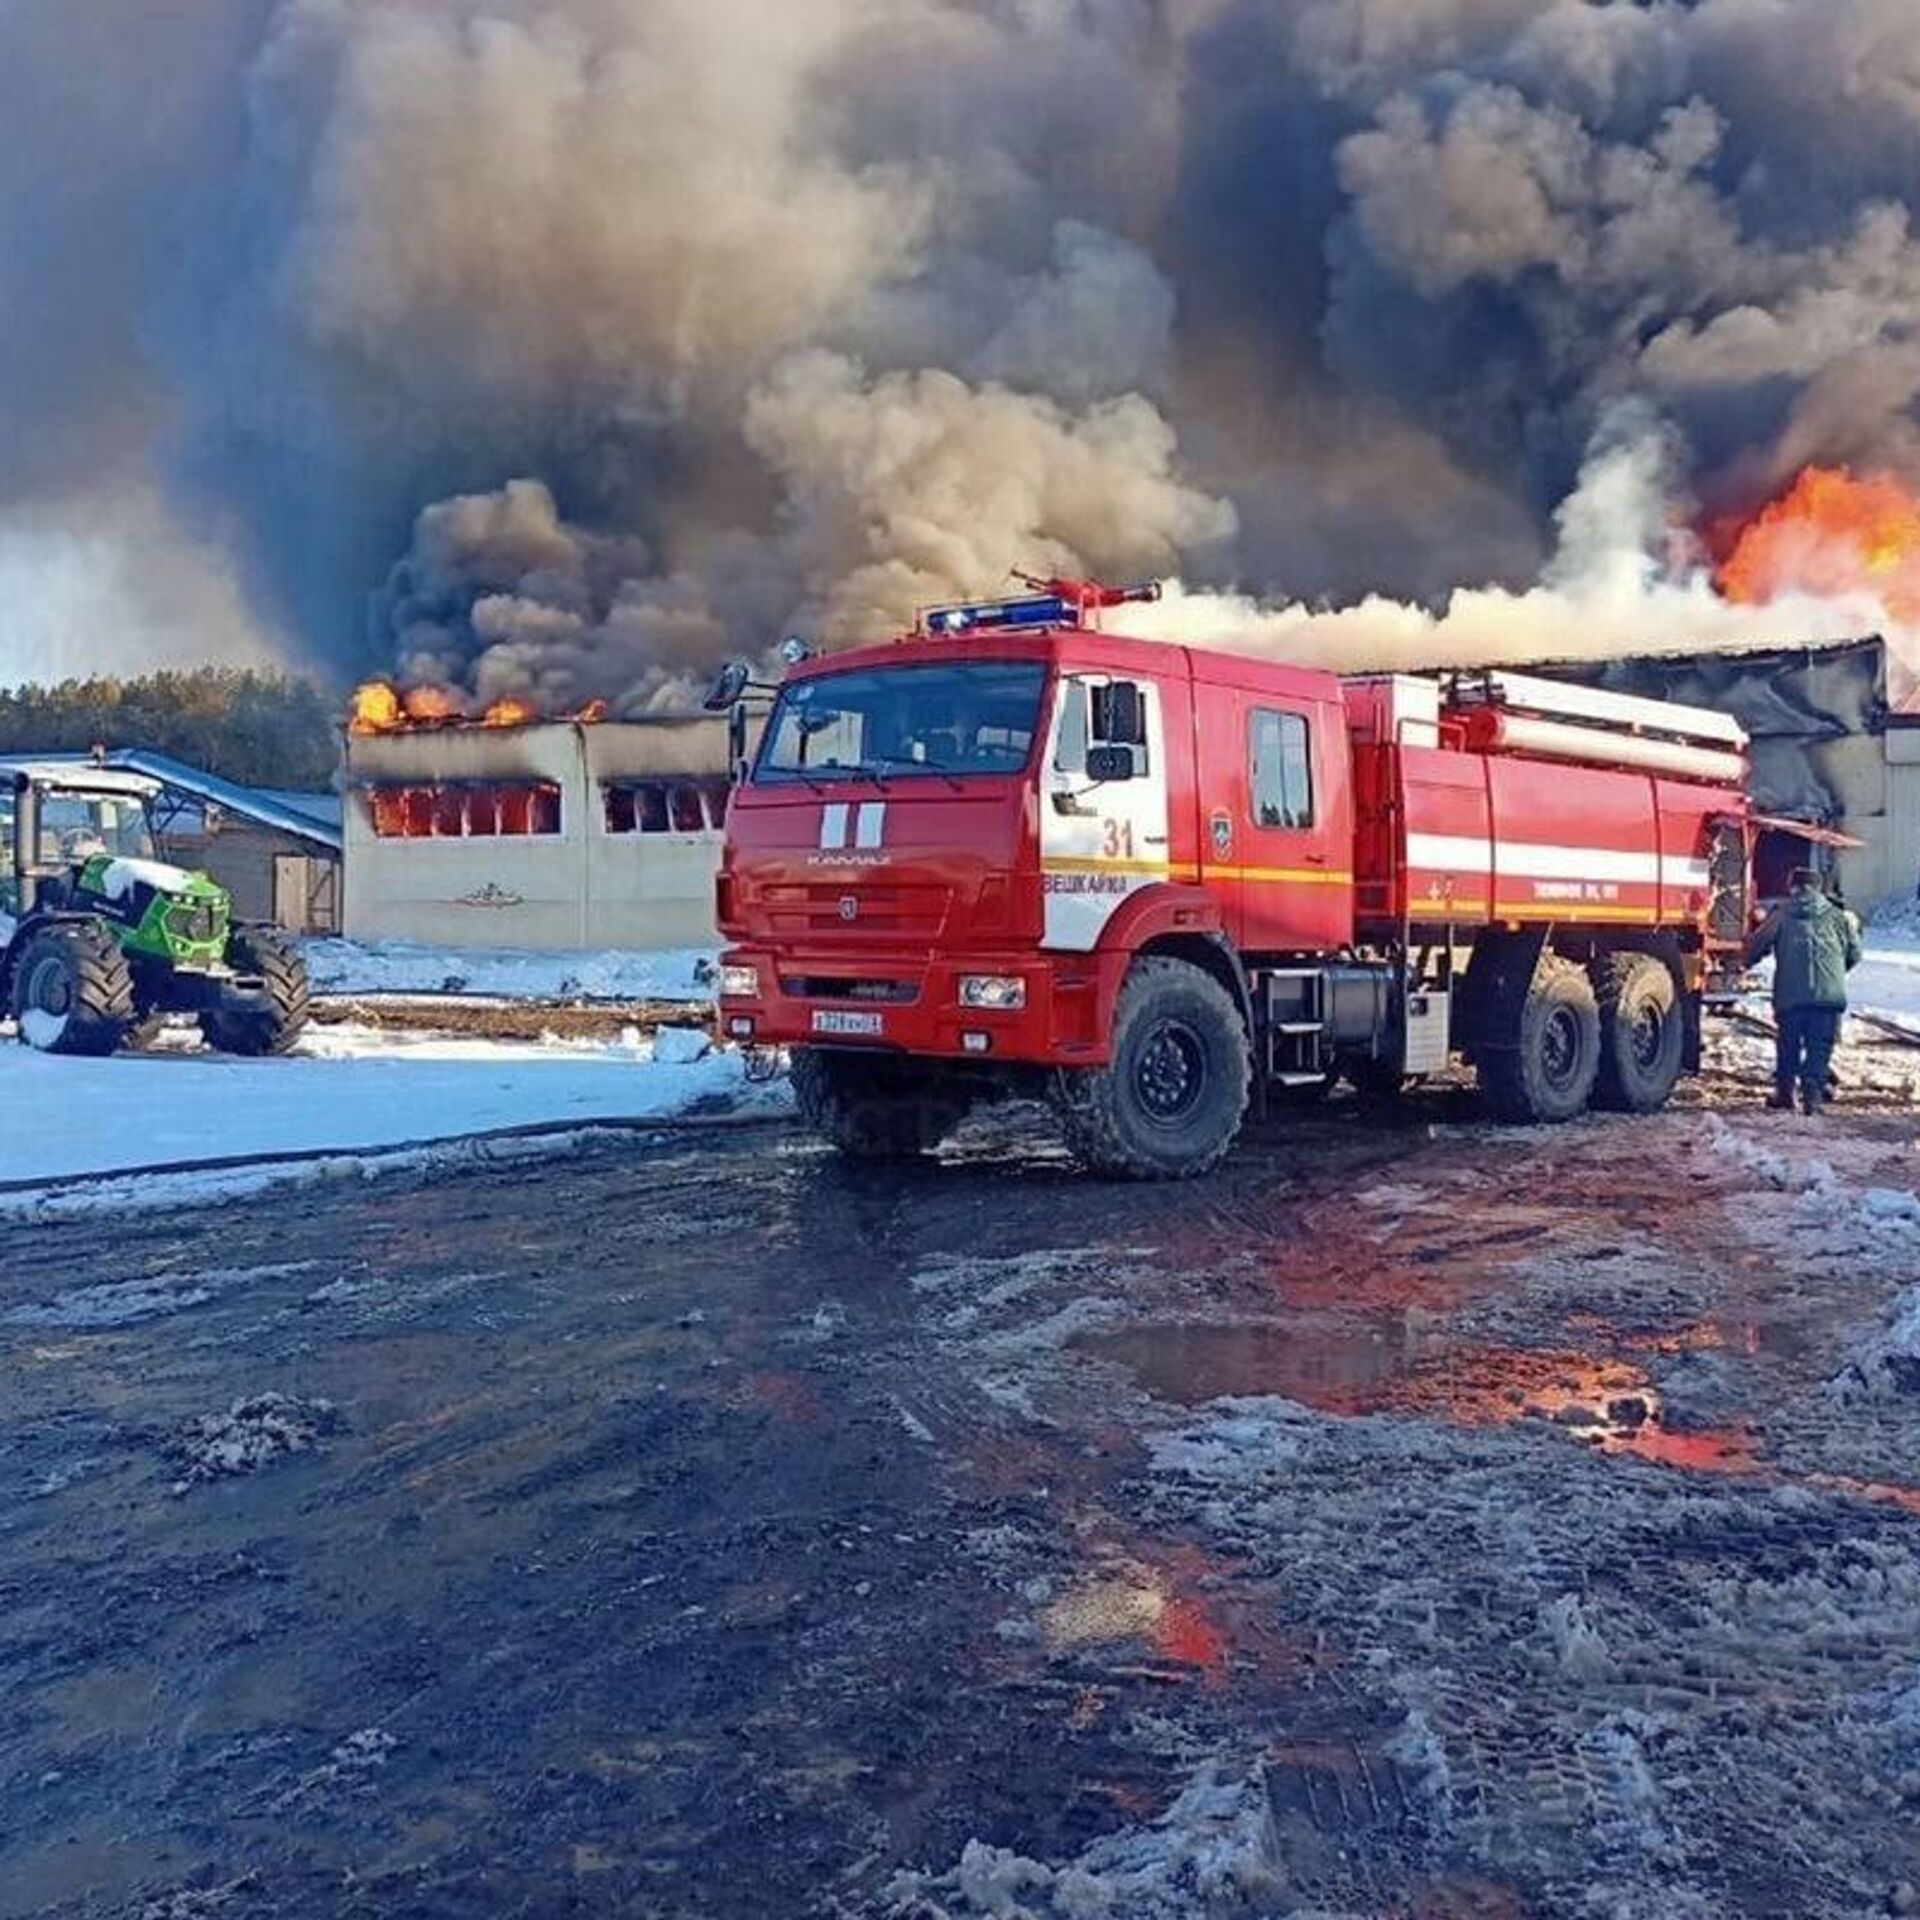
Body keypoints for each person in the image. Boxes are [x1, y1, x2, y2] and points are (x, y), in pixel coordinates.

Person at [1745, 867, 1863, 1115]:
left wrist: (1742, 962)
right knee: (1819, 1046)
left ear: (1792, 887)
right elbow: (1854, 954)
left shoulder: (1781, 914)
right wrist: (1836, 974)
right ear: (1818, 888)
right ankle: (1812, 1094)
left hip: (1791, 996)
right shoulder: (1838, 916)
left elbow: (1757, 945)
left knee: (1788, 1044)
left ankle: (1785, 1094)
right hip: (1828, 996)